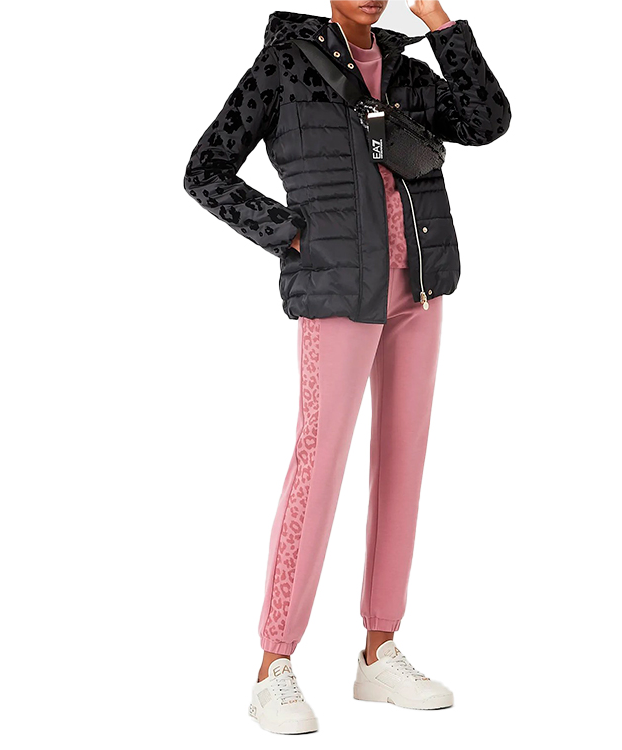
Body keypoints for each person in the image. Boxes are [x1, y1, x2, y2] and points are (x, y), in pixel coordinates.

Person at [183, 0, 511, 734]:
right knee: (320, 463)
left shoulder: (406, 68)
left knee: (403, 464)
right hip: (337, 290)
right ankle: (273, 667)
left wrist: (440, 24)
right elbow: (205, 170)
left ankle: (378, 651)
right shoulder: (285, 66)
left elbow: (487, 120)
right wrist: (289, 235)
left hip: (418, 288)